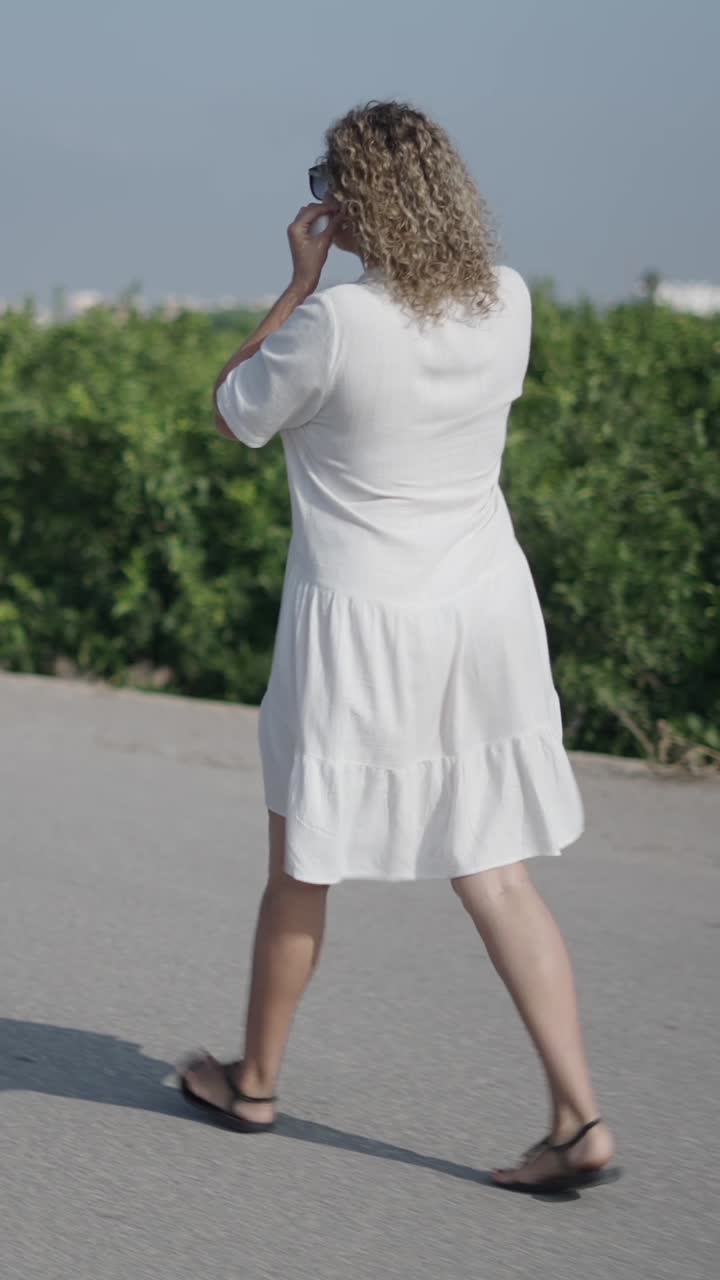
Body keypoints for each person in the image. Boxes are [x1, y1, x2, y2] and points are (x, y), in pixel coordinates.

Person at [179, 100, 619, 1194]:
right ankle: (579, 1114)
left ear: (353, 196)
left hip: (360, 623)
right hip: (482, 613)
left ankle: (257, 1083)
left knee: (303, 861)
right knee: (495, 867)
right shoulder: (507, 301)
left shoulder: (337, 325)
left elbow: (233, 410)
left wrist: (297, 283)